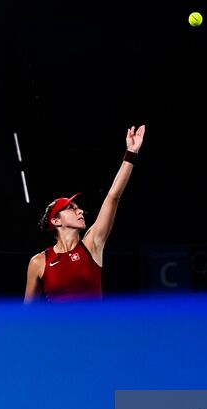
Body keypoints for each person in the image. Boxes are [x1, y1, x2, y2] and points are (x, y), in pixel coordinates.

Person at [24, 125, 145, 302]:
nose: (80, 210)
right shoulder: (39, 262)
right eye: (71, 207)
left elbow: (113, 196)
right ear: (56, 221)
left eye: (78, 207)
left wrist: (131, 153)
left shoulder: (92, 244)